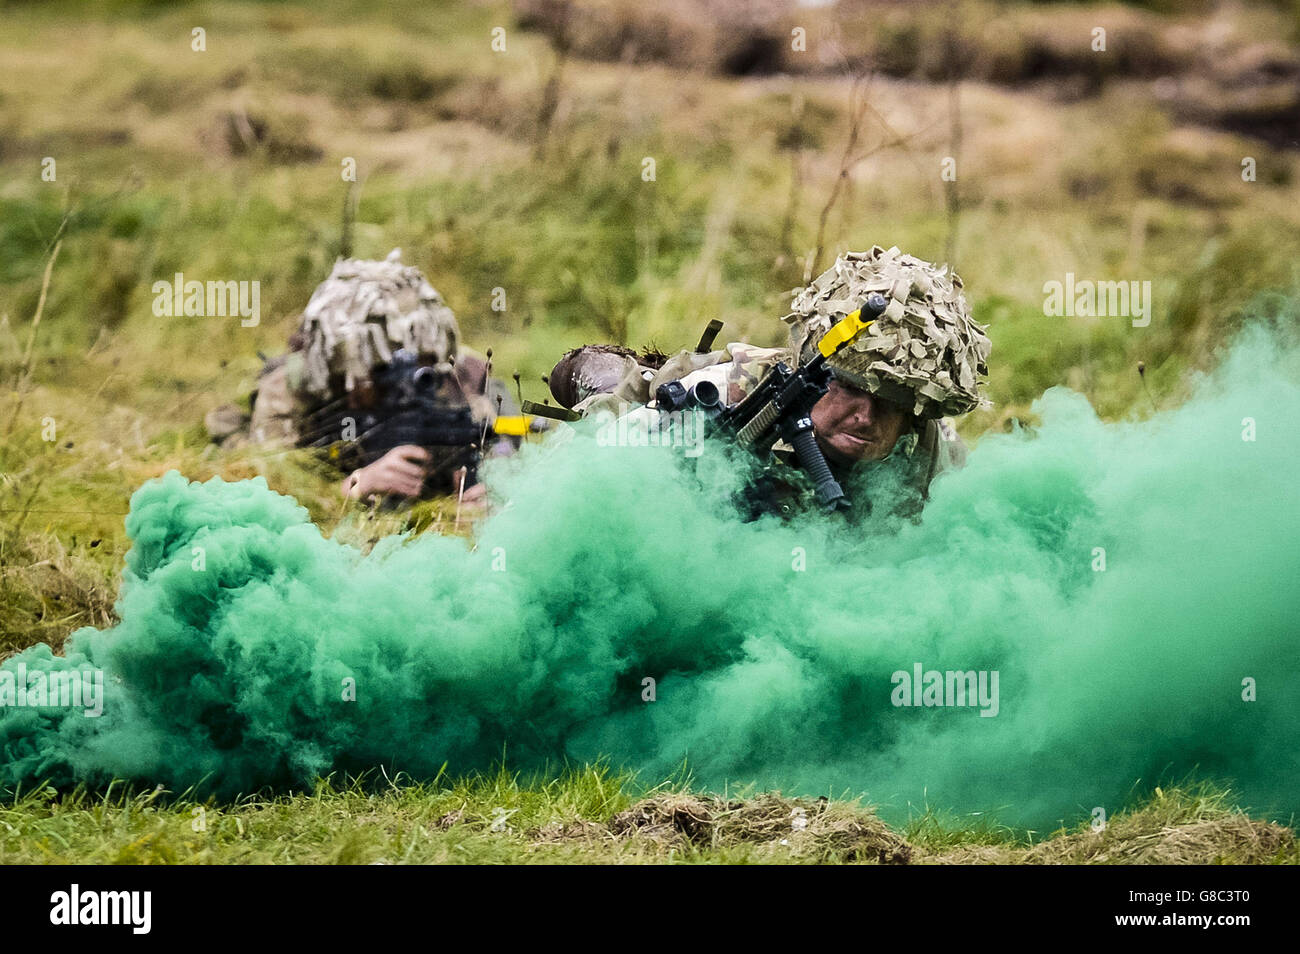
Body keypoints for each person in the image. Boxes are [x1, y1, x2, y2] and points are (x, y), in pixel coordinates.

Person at [550, 246, 991, 518]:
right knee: (623, 397)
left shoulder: (931, 449)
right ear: (813, 371)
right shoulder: (732, 393)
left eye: (891, 402)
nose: (867, 415)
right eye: (852, 388)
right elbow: (581, 478)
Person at [206, 250, 520, 504]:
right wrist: (354, 486)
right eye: (382, 371)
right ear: (344, 366)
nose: (406, 379)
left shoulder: (449, 372)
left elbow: (495, 436)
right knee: (235, 443)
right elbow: (269, 484)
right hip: (317, 446)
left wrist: (493, 479)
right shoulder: (297, 386)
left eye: (420, 363)